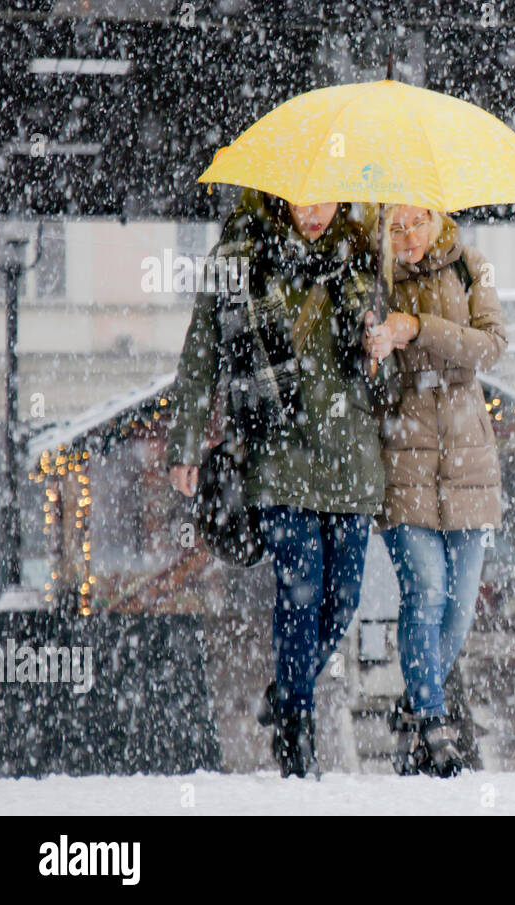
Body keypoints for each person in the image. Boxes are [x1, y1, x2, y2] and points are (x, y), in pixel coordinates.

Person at [166, 189, 384, 778]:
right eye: (303, 201)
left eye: (326, 201)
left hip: (348, 454)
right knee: (302, 587)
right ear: (276, 194)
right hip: (275, 451)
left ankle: (289, 690)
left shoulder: (364, 255)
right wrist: (184, 442)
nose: (315, 214)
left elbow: (383, 367)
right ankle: (296, 731)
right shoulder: (237, 257)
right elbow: (200, 356)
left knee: (341, 602)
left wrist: (377, 335)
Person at [362, 204, 506, 777]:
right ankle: (432, 719)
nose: (408, 236)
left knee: (460, 609)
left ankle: (415, 703)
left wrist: (418, 328)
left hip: (470, 461)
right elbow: (362, 377)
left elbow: (491, 345)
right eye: (394, 227)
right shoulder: (373, 282)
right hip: (406, 461)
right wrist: (377, 348)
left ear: (438, 217)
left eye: (417, 221)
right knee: (425, 591)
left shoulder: (473, 267)